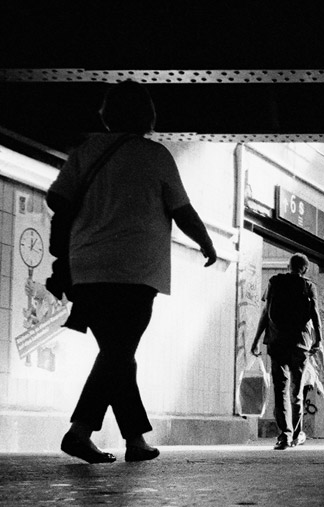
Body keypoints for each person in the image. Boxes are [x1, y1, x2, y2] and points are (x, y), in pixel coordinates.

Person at [49, 80, 217, 464]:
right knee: (119, 353)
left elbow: (57, 198)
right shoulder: (155, 156)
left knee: (118, 354)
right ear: (148, 115)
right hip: (135, 272)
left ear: (107, 114)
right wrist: (206, 243)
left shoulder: (85, 151)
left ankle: (136, 441)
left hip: (86, 270)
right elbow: (181, 210)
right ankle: (79, 432)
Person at [252, 253, 322, 450]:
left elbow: (266, 312)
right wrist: (319, 338)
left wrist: (256, 340)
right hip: (300, 344)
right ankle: (296, 435)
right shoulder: (308, 286)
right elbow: (314, 313)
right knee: (296, 392)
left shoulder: (275, 282)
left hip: (277, 343)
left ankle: (284, 435)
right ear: (305, 269)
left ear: (288, 265)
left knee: (280, 389)